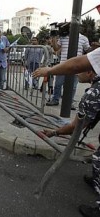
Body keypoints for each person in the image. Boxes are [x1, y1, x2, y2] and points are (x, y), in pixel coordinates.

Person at [39, 68, 100, 217]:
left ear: (90, 73)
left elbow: (75, 127)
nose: (76, 74)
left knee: (98, 159)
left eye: (79, 71)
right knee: (98, 157)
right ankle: (97, 180)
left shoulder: (94, 93)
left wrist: (54, 132)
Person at [47, 27, 90, 109]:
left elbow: (87, 50)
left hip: (76, 66)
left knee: (73, 86)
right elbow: (56, 48)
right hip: (63, 65)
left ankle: (69, 102)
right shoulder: (63, 38)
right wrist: (55, 38)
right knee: (58, 84)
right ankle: (55, 99)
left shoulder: (83, 38)